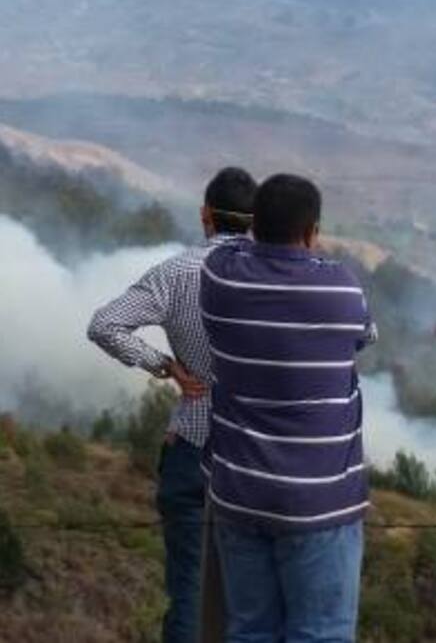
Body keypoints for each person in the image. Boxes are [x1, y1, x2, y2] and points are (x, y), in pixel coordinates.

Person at [201, 173, 375, 643]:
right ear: (312, 231)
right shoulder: (340, 289)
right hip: (319, 503)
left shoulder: (218, 275)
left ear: (255, 225)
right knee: (320, 633)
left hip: (239, 494)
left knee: (249, 631)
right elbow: (364, 337)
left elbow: (226, 246)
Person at [87, 166, 256, 643]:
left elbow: (105, 325)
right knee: (257, 599)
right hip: (264, 457)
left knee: (189, 593)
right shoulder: (278, 275)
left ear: (205, 215)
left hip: (194, 445)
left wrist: (165, 366)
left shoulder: (176, 271)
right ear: (256, 220)